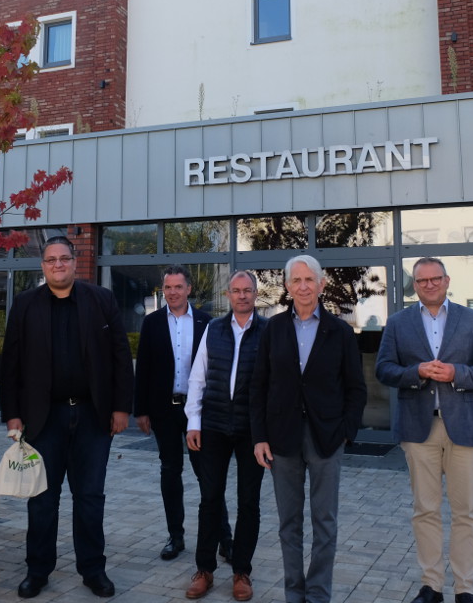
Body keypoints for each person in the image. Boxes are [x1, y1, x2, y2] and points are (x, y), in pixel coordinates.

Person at [0, 235, 135, 599]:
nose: (58, 265)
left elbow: (121, 357)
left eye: (64, 258)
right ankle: (37, 570)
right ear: (43, 266)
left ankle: (93, 570)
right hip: (43, 420)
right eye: (51, 260)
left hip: (93, 418)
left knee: (90, 497)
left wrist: (121, 408)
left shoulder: (101, 300)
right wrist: (11, 415)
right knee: (42, 499)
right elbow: (10, 365)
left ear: (75, 262)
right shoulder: (26, 305)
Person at [374, 258, 473, 603]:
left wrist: (456, 374)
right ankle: (431, 586)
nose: (429, 285)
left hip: (465, 426)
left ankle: (465, 589)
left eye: (435, 279)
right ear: (414, 285)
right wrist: (416, 371)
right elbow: (384, 369)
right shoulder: (399, 322)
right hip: (419, 429)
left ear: (447, 280)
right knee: (425, 510)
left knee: (466, 513)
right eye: (421, 281)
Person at [250, 255, 366, 603]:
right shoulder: (273, 329)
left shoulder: (341, 332)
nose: (302, 286)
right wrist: (259, 437)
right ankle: (294, 594)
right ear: (287, 287)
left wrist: (347, 430)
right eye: (296, 281)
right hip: (281, 439)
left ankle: (317, 595)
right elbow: (258, 386)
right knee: (289, 524)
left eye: (308, 280)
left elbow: (356, 389)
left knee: (324, 523)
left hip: (326, 439)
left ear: (321, 284)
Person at [133, 264, 231, 562]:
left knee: (208, 475)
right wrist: (141, 410)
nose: (172, 292)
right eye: (168, 287)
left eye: (178, 287)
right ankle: (175, 537)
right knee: (170, 472)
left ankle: (224, 538)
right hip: (164, 411)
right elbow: (144, 368)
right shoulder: (151, 323)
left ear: (189, 289)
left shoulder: (207, 323)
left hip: (198, 412)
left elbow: (216, 369)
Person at [184, 270, 269, 602]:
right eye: (236, 291)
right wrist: (193, 421)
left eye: (248, 290)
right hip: (214, 425)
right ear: (228, 294)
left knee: (249, 502)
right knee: (210, 499)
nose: (242, 296)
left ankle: (242, 571)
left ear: (255, 294)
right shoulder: (213, 329)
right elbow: (197, 378)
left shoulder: (269, 331)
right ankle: (204, 569)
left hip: (252, 430)